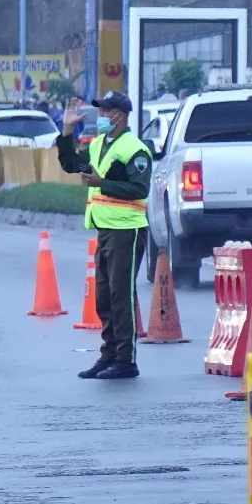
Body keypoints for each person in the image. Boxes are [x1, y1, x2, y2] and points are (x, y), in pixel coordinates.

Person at [56, 91, 152, 380]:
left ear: (119, 116)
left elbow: (139, 189)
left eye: (105, 111)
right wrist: (68, 129)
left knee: (121, 297)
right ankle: (108, 355)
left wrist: (103, 183)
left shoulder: (135, 150)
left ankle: (126, 360)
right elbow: (72, 164)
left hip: (128, 230)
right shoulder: (100, 144)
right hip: (106, 229)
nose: (100, 116)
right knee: (104, 298)